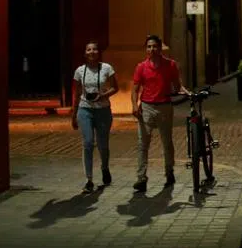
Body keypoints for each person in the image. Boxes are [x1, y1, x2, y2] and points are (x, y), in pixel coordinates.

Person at [131, 34, 188, 193]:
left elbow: (177, 86)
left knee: (167, 142)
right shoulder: (141, 67)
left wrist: (184, 91)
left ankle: (169, 172)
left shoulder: (170, 65)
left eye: (154, 46)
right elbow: (135, 89)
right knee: (143, 144)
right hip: (147, 107)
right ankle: (141, 178)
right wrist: (134, 105)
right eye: (149, 47)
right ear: (146, 49)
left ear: (160, 47)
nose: (152, 49)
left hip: (164, 106)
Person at [70, 41, 118, 193]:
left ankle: (104, 167)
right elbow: (76, 93)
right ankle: (89, 179)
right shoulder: (79, 71)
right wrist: (74, 114)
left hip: (102, 110)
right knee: (88, 143)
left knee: (103, 144)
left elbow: (115, 87)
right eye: (89, 49)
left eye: (95, 49)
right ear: (85, 53)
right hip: (85, 110)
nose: (92, 52)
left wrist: (102, 95)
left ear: (99, 52)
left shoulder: (107, 68)